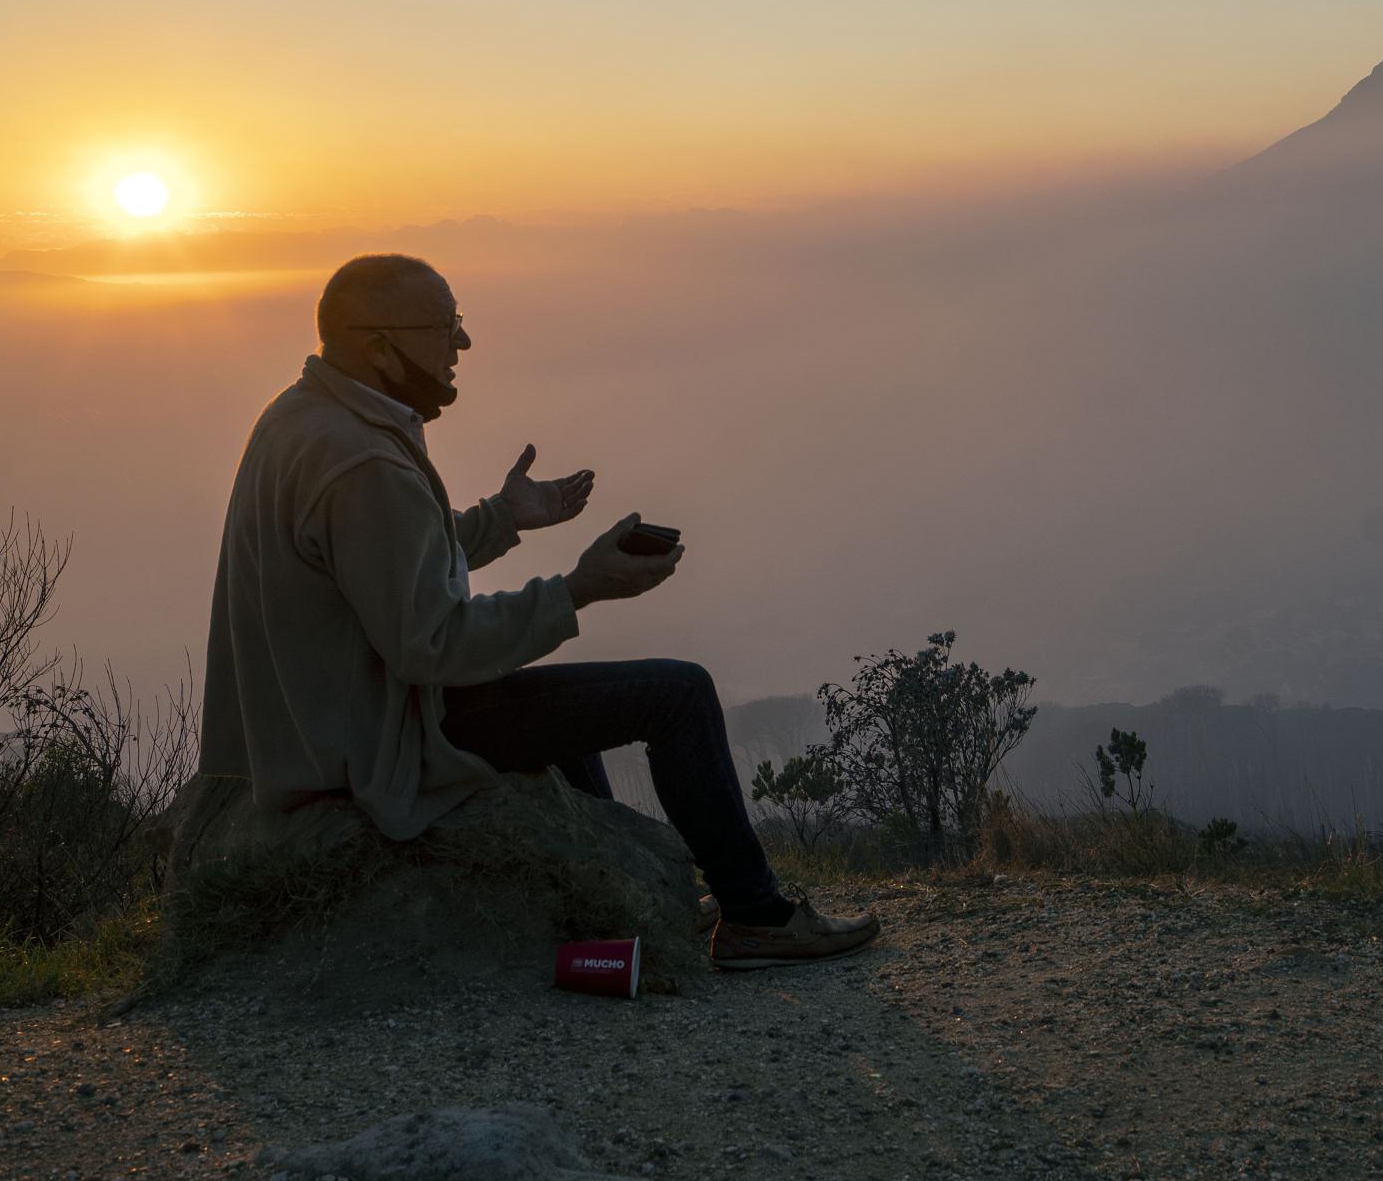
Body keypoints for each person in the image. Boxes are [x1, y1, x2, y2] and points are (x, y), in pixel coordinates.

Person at [199, 252, 877, 970]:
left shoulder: (307, 417)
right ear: (376, 345)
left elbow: (381, 566)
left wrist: (501, 518)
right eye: (444, 327)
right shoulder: (363, 463)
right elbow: (432, 644)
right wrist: (579, 588)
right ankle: (757, 917)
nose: (462, 345)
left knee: (560, 710)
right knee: (679, 694)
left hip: (328, 717)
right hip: (379, 737)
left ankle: (622, 884)